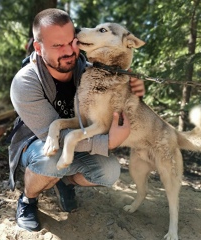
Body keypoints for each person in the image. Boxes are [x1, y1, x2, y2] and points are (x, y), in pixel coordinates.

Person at [8, 8, 145, 232]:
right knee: (50, 159)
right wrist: (107, 143)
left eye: (71, 41)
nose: (69, 50)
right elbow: (52, 137)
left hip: (77, 137)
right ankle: (28, 200)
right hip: (36, 142)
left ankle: (64, 182)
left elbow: (115, 83)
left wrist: (133, 85)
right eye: (57, 46)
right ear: (38, 47)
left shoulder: (87, 68)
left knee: (110, 172)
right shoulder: (25, 82)